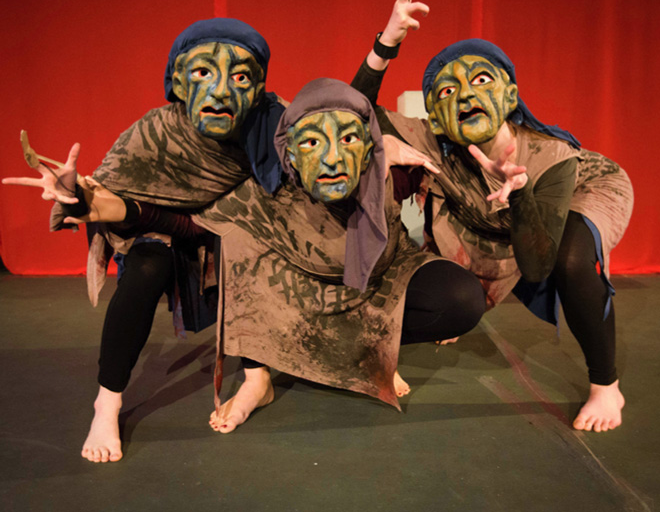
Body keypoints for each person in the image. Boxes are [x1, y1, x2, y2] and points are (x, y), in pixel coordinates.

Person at [2, 0, 435, 458]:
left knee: (270, 239)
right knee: (145, 270)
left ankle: (261, 377)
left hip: (234, 229)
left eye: (242, 76)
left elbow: (340, 112)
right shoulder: (155, 133)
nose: (223, 89)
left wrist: (386, 45)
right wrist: (78, 199)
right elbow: (115, 202)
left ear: (258, 88)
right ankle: (107, 403)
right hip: (164, 230)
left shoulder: (270, 122)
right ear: (177, 83)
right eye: (204, 73)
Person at [49, 77, 487, 434]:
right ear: (291, 153)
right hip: (300, 298)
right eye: (313, 143)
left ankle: (370, 348)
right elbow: (190, 226)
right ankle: (258, 380)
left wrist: (510, 196)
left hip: (375, 286)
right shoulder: (267, 193)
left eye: (349, 139)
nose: (334, 159)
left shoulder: (392, 173)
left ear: (368, 145)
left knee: (462, 300)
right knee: (232, 242)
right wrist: (111, 208)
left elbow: (452, 187)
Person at [378, 38, 633, 432]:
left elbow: (536, 267)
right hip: (493, 208)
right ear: (437, 115)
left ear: (510, 94)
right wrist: (385, 46)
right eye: (448, 90)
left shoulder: (552, 155)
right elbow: (350, 114)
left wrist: (522, 198)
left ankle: (606, 385)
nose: (466, 95)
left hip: (582, 189)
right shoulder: (436, 138)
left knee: (571, 259)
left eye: (481, 80)